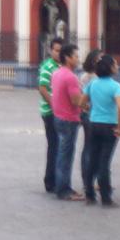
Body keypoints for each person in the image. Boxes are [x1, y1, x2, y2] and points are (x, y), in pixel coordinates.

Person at [80, 54, 120, 206]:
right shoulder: (116, 86)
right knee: (104, 162)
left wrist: (88, 108)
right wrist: (119, 127)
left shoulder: (92, 84)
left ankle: (89, 194)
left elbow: (81, 102)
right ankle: (106, 197)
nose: (117, 67)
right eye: (116, 64)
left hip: (94, 123)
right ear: (111, 68)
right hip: (109, 125)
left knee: (92, 159)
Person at [50, 43, 85, 201]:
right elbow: (76, 100)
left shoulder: (57, 73)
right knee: (66, 155)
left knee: (63, 153)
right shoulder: (70, 77)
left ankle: (64, 186)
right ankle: (63, 189)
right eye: (75, 56)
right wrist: (88, 105)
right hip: (69, 119)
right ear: (68, 58)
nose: (78, 59)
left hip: (59, 117)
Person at [37, 37, 64, 193]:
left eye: (61, 50)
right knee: (54, 146)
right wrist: (55, 105)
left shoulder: (59, 66)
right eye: (56, 50)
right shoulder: (48, 66)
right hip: (50, 112)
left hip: (57, 112)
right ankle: (50, 181)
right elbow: (42, 88)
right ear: (50, 50)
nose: (58, 53)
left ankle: (54, 178)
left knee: (58, 146)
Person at [78, 49, 103, 200]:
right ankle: (88, 179)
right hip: (90, 115)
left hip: (96, 115)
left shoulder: (97, 77)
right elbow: (83, 97)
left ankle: (96, 178)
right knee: (89, 147)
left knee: (98, 148)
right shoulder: (88, 77)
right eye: (99, 59)